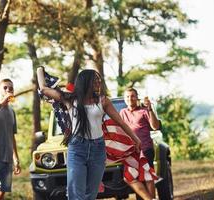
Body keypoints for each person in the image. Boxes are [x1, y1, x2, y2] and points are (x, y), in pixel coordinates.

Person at [37, 66, 142, 200]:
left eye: (99, 80)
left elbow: (120, 122)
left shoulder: (103, 101)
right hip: (77, 148)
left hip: (98, 150)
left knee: (91, 194)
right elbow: (44, 89)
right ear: (85, 82)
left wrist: (135, 139)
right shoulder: (69, 99)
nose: (99, 83)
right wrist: (39, 70)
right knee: (76, 193)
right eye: (95, 81)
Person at [120, 88, 160, 199]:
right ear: (124, 99)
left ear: (137, 97)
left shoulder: (144, 110)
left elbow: (155, 126)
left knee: (147, 177)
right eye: (127, 96)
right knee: (129, 177)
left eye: (132, 96)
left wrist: (150, 109)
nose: (130, 98)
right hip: (130, 151)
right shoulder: (122, 113)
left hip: (145, 148)